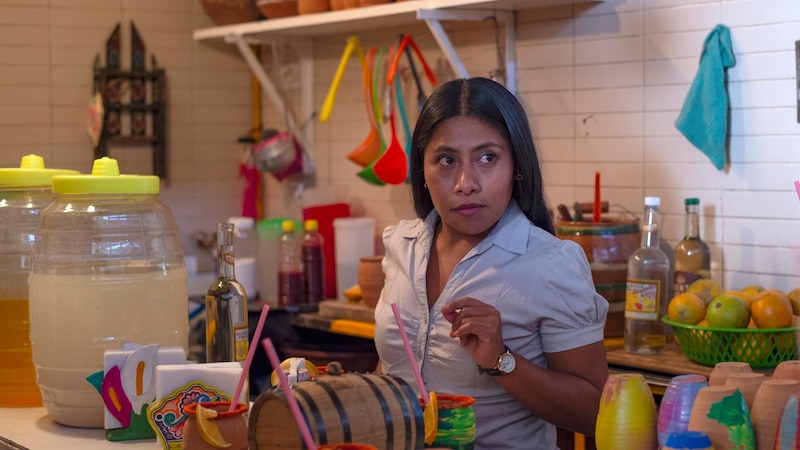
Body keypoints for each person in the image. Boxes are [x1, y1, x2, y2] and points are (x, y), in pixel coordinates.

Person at [373, 77, 609, 449]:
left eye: (487, 158)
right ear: (422, 168)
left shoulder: (550, 263)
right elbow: (395, 370)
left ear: (516, 165)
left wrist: (501, 359)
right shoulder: (401, 246)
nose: (466, 183)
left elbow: (595, 411)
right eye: (447, 160)